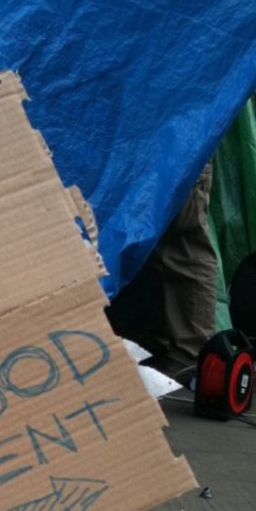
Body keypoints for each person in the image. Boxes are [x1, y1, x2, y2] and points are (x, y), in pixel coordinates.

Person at [106, 162, 217, 384]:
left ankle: (190, 355)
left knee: (181, 243)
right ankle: (148, 344)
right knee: (139, 242)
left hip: (178, 150)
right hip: (133, 152)